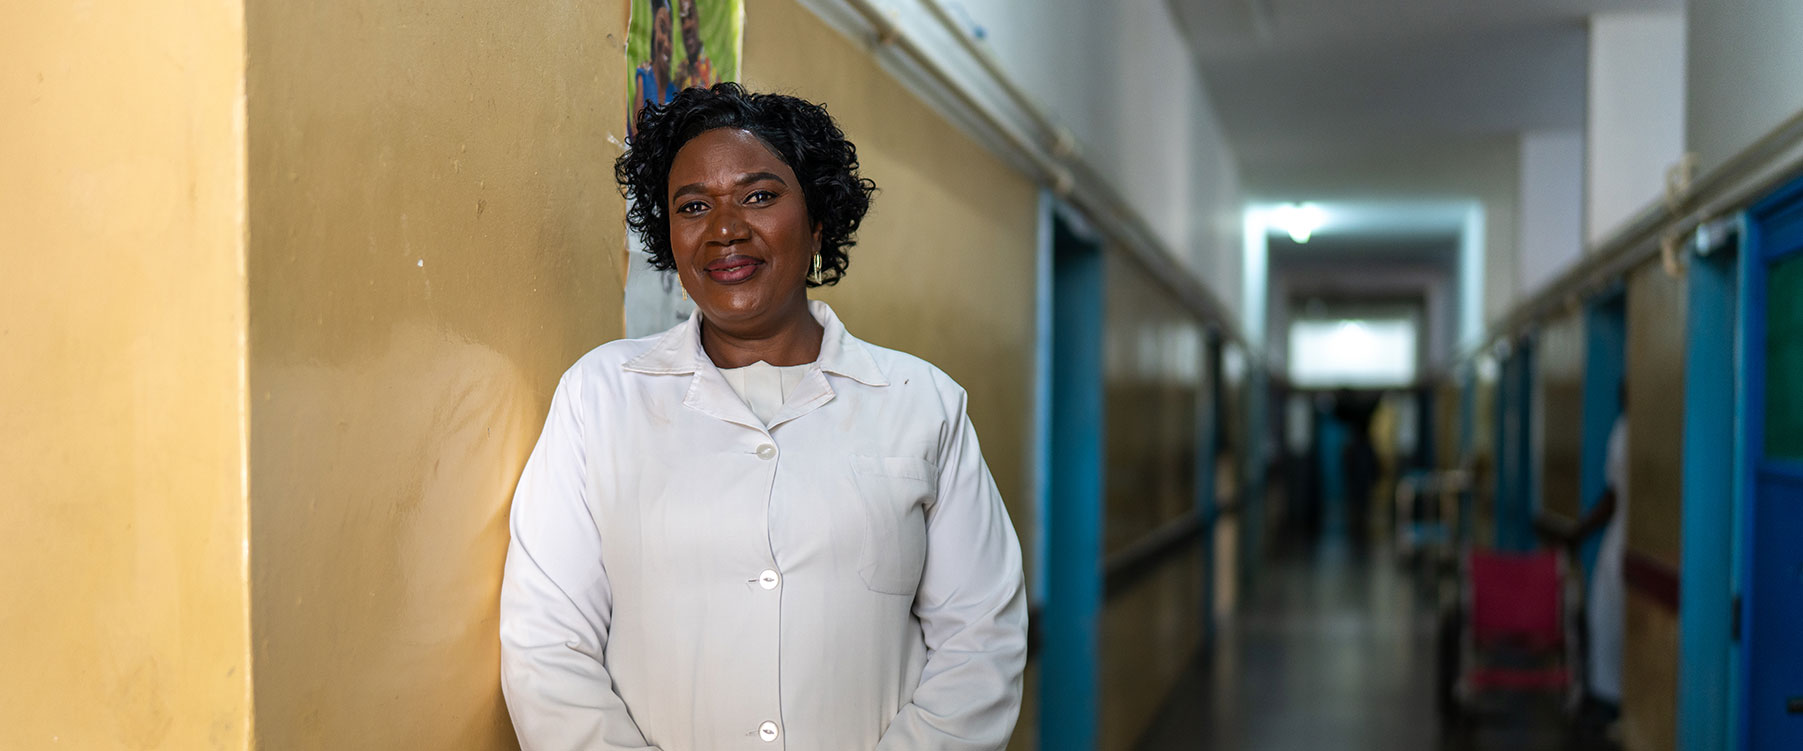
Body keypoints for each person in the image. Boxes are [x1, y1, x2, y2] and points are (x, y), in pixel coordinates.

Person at [500, 83, 1028, 751]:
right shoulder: (599, 397)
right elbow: (547, 642)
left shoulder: (921, 403)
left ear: (816, 220)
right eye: (693, 206)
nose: (725, 229)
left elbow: (980, 639)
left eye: (758, 196)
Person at [628, 0, 679, 137]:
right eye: (662, 29)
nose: (666, 43)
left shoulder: (675, 91)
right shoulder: (643, 77)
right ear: (653, 33)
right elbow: (636, 133)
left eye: (669, 35)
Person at [675, 0, 716, 90]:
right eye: (682, 20)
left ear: (698, 18)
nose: (687, 26)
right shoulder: (681, 70)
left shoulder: (711, 70)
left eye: (690, 16)